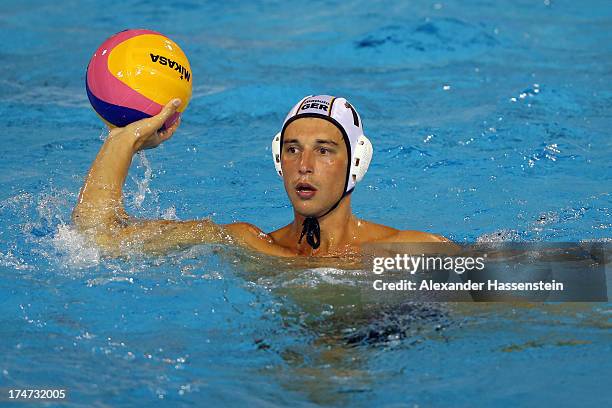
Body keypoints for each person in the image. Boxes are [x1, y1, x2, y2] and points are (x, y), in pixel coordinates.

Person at [72, 94, 449, 257]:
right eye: (292, 149)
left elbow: (503, 302)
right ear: (278, 160)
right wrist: (124, 140)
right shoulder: (248, 244)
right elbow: (95, 236)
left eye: (324, 150)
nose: (305, 164)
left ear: (355, 164)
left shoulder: (406, 251)